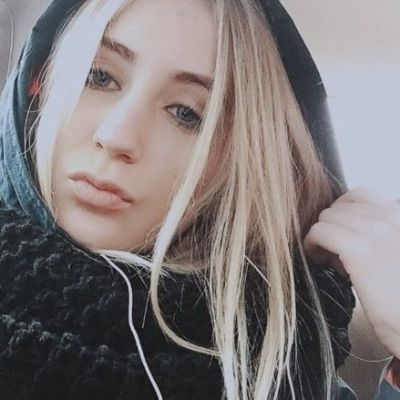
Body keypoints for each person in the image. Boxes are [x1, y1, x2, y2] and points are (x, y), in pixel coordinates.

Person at [0, 0, 398, 398]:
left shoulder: (288, 370)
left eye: (185, 113)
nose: (117, 136)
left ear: (235, 165)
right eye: (99, 76)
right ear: (40, 83)